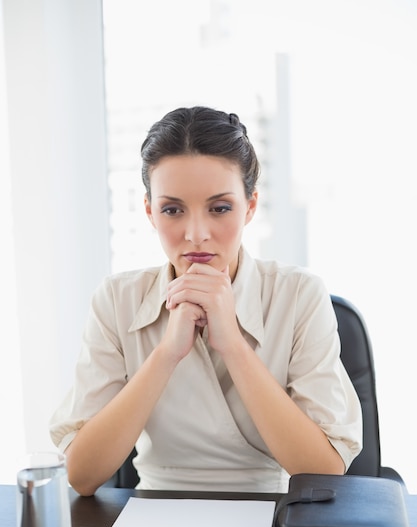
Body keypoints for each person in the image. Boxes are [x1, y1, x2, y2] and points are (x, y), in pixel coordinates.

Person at [50, 105, 362, 496]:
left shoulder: (299, 295)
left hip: (271, 514)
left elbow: (323, 472)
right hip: (155, 510)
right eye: (172, 210)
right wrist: (166, 353)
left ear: (249, 207)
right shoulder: (117, 300)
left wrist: (231, 343)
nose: (196, 234)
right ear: (149, 212)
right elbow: (82, 475)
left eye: (219, 208)